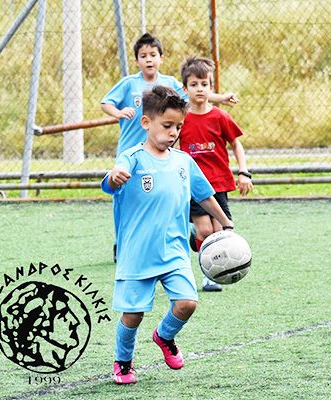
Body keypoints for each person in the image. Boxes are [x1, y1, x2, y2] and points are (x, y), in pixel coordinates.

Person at [101, 86, 235, 384]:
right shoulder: (132, 158)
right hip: (137, 253)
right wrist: (114, 177)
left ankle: (164, 336)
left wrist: (226, 223)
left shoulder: (183, 161)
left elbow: (205, 195)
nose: (173, 132)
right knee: (133, 315)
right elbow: (111, 181)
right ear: (146, 122)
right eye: (167, 125)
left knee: (187, 303)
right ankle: (123, 362)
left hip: (174, 250)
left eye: (178, 126)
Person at [101, 32, 238, 263]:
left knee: (165, 195)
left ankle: (174, 239)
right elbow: (106, 102)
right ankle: (122, 242)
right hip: (134, 153)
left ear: (161, 58)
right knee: (127, 197)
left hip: (161, 153)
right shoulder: (129, 84)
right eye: (143, 55)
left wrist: (220, 98)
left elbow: (195, 92)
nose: (149, 59)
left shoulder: (171, 84)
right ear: (136, 60)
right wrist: (118, 112)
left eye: (153, 55)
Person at [178, 56, 254, 292]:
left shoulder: (220, 117)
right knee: (205, 231)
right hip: (193, 185)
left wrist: (244, 172)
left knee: (219, 231)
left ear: (211, 88)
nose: (200, 89)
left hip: (218, 183)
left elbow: (236, 145)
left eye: (204, 84)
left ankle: (217, 265)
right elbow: (172, 146)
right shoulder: (181, 118)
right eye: (194, 84)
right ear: (185, 89)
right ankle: (207, 275)